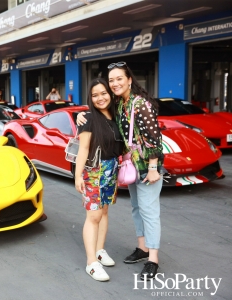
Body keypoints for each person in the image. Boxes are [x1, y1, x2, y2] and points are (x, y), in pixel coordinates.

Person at [77, 61, 164, 280]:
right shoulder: (120, 105)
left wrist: (153, 167)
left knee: (149, 211)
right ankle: (141, 248)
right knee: (135, 208)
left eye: (119, 79)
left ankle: (152, 258)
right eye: (112, 80)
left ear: (129, 80)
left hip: (145, 167)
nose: (115, 84)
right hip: (126, 167)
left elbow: (155, 139)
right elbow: (95, 111)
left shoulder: (140, 103)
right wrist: (82, 114)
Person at [74, 78, 123, 282]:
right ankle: (91, 262)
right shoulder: (88, 119)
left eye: (103, 93)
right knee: (93, 216)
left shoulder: (115, 116)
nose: (100, 98)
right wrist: (77, 176)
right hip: (93, 171)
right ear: (90, 98)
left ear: (110, 94)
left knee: (104, 211)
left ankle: (100, 250)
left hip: (111, 169)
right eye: (95, 95)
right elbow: (83, 149)